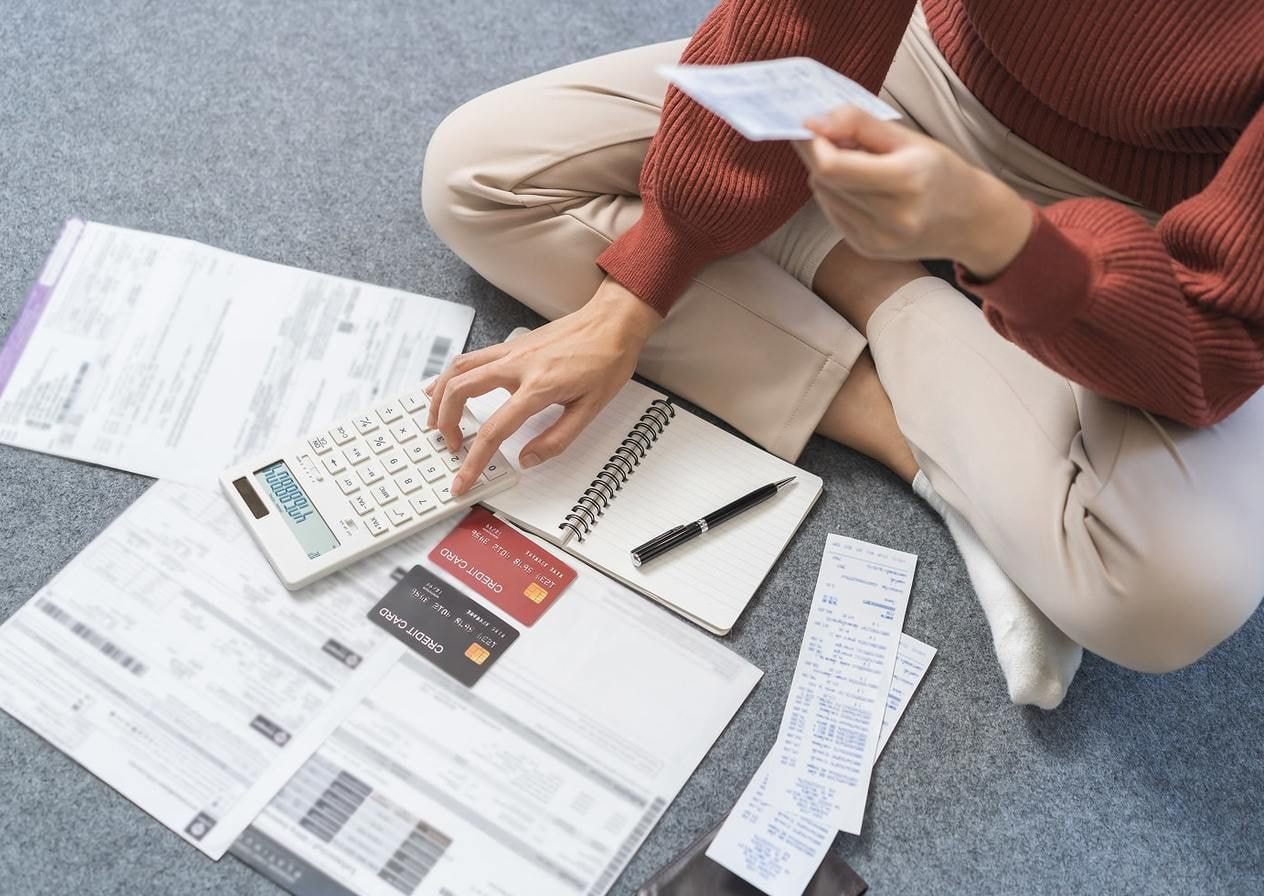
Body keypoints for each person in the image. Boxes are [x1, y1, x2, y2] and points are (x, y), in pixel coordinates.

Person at [419, 0, 1264, 708]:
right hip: (921, 64)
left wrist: (1012, 247)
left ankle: (850, 272)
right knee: (476, 174)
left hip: (1168, 212)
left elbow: (1219, 341)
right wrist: (636, 291)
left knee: (1174, 598)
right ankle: (937, 455)